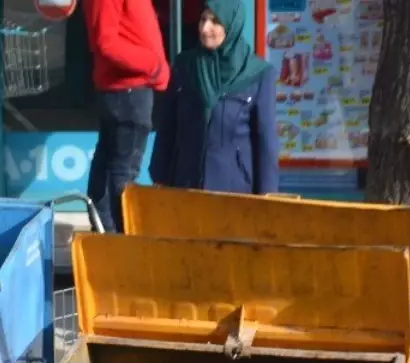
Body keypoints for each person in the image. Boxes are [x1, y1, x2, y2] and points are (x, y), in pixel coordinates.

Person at [149, 0, 278, 194]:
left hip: (234, 191)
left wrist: (268, 195)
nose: (205, 28)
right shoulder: (185, 66)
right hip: (186, 186)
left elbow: (265, 140)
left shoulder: (258, 75)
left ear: (232, 24)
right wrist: (159, 177)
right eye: (203, 20)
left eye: (215, 21)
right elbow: (168, 127)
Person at [83, 0, 170, 233]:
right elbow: (106, 42)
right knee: (123, 172)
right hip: (127, 87)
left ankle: (107, 234)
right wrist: (152, 65)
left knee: (111, 166)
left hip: (126, 87)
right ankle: (121, 238)